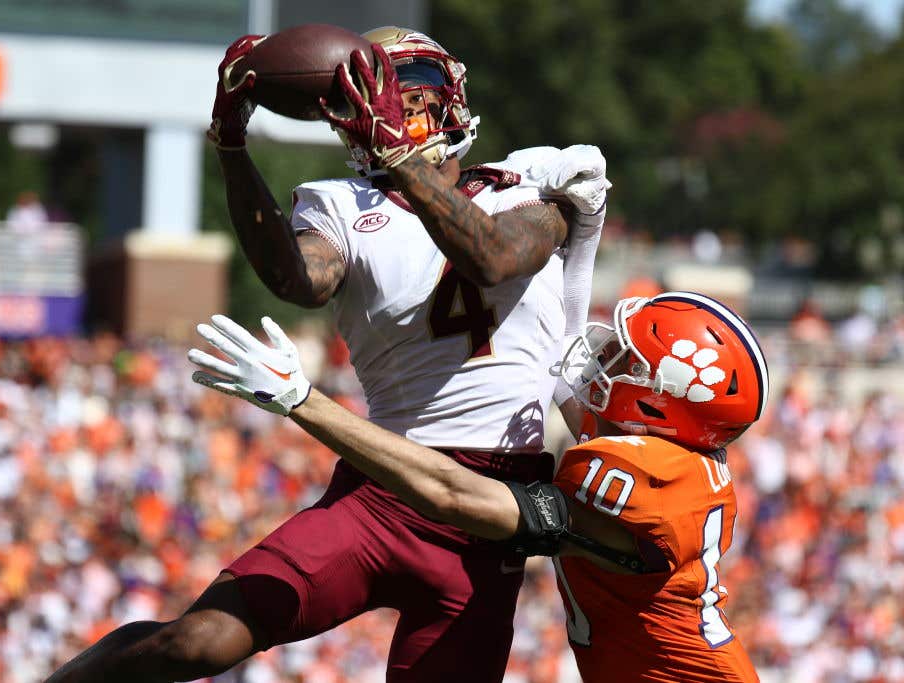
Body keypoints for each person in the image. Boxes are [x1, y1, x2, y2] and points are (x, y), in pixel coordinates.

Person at [48, 26, 608, 683]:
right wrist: (232, 147)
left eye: (407, 95)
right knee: (197, 640)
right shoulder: (344, 206)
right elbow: (297, 279)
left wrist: (403, 159)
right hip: (384, 490)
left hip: (491, 511)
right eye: (378, 98)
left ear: (449, 99)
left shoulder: (527, 191)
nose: (395, 113)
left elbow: (492, 256)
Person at [187, 290, 768, 682]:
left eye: (625, 358)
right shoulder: (673, 458)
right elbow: (555, 352)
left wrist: (302, 402)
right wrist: (583, 230)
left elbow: (454, 497)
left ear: (660, 400)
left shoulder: (646, 481)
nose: (602, 355)